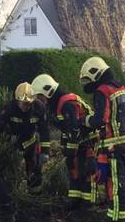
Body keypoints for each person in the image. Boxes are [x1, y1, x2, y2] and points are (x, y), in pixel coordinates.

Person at [82, 56, 125, 222]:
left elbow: (100, 119)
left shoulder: (102, 91)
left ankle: (116, 215)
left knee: (115, 179)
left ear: (95, 75)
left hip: (114, 143)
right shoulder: (118, 86)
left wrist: (85, 120)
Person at [31, 73, 96, 206]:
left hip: (89, 140)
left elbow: (74, 130)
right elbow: (67, 129)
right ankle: (75, 198)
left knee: (86, 169)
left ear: (48, 92)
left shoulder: (67, 104)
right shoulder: (57, 104)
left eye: (40, 96)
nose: (39, 100)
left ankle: (89, 201)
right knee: (73, 166)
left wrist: (70, 149)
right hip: (78, 140)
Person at [0, 82, 49, 190]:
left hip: (31, 142)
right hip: (13, 143)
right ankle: (10, 191)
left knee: (34, 169)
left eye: (28, 104)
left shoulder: (39, 108)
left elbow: (44, 130)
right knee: (10, 169)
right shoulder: (9, 107)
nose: (25, 106)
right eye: (23, 103)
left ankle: (34, 193)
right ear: (16, 100)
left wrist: (45, 152)